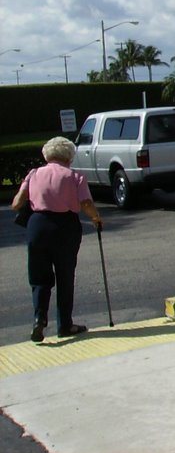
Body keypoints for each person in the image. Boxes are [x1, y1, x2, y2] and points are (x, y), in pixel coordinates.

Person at [10, 136, 103, 343]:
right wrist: (96, 218)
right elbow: (86, 202)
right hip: (65, 227)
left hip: (38, 226)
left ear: (47, 154)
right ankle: (65, 324)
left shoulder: (34, 174)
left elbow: (17, 203)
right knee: (65, 274)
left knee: (39, 277)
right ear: (69, 156)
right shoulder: (75, 176)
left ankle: (39, 319)